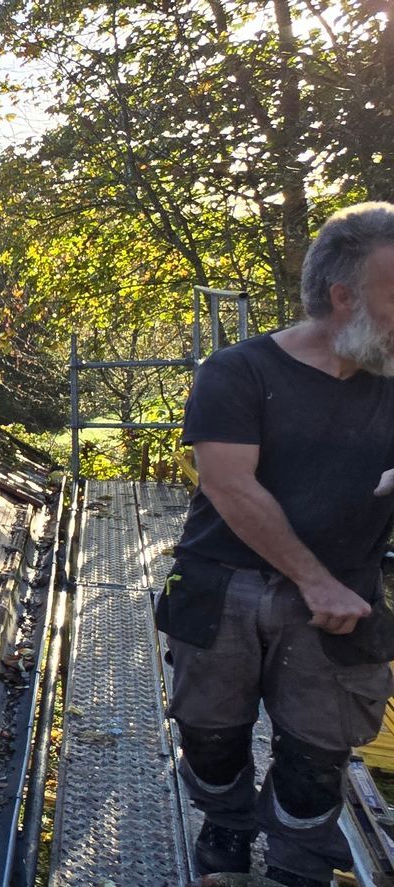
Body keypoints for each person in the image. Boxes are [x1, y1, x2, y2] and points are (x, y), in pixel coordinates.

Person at [161, 201, 394, 886]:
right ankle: (227, 828)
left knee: (318, 751)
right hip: (222, 583)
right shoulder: (239, 371)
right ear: (343, 295)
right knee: (210, 730)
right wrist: (314, 580)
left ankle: (296, 862)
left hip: (346, 591)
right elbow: (231, 487)